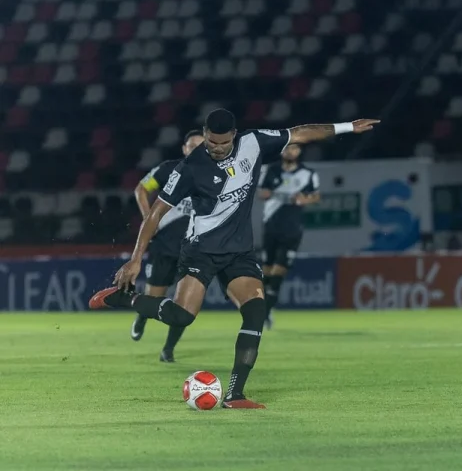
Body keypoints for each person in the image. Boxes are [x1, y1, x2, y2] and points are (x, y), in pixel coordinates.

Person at [89, 109, 379, 409]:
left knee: (256, 310)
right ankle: (125, 300)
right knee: (182, 316)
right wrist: (136, 259)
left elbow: (301, 132)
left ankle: (235, 394)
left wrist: (347, 127)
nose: (215, 148)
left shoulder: (253, 143)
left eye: (222, 143)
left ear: (234, 136)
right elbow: (155, 214)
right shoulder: (190, 167)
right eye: (211, 142)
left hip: (239, 252)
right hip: (200, 250)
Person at [130, 130, 204, 362]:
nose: (196, 150)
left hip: (194, 249)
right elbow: (141, 189)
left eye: (201, 146)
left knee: (185, 307)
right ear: (184, 149)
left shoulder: (216, 175)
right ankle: (143, 315)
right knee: (154, 298)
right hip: (164, 247)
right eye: (192, 146)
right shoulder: (168, 169)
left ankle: (168, 349)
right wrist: (148, 220)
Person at [258, 143, 320, 329]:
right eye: (287, 149)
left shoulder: (308, 173)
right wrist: (268, 194)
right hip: (271, 225)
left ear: (299, 152)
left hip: (293, 228)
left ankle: (264, 314)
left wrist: (305, 199)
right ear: (282, 151)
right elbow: (262, 192)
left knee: (279, 272)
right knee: (267, 271)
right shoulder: (270, 170)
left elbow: (316, 196)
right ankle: (265, 310)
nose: (290, 152)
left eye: (294, 149)